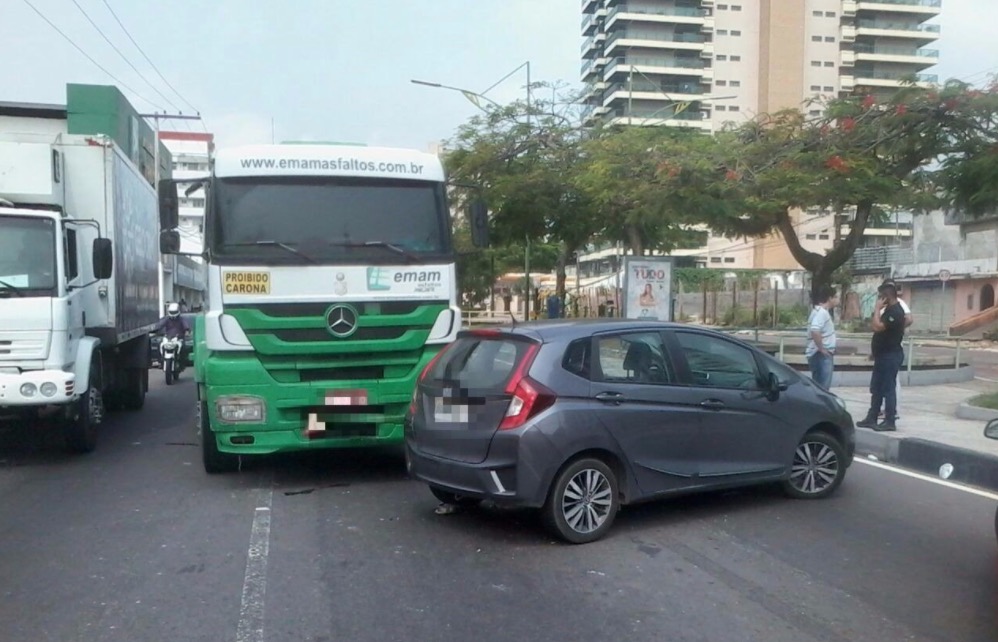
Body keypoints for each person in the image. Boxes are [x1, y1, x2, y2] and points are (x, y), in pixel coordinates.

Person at [857, 281, 906, 431]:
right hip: (882, 355)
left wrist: (877, 309)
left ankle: (890, 421)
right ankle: (872, 417)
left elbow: (877, 327)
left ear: (886, 296)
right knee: (876, 388)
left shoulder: (896, 312)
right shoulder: (889, 310)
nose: (879, 299)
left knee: (888, 389)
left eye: (881, 296)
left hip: (890, 355)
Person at [805, 285, 838, 389]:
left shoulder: (817, 311)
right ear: (829, 298)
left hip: (819, 354)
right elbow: (815, 330)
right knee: (823, 389)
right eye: (835, 297)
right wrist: (822, 349)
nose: (837, 300)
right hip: (821, 355)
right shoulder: (822, 313)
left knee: (818, 387)